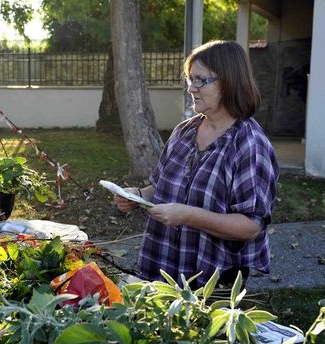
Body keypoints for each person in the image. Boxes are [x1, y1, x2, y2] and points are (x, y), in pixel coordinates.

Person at [114, 40, 279, 289]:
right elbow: (160, 186)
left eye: (201, 80)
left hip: (212, 280)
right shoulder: (184, 131)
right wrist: (137, 196)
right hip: (162, 263)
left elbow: (250, 226)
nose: (191, 89)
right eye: (190, 79)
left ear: (229, 82)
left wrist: (188, 215)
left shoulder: (249, 145)